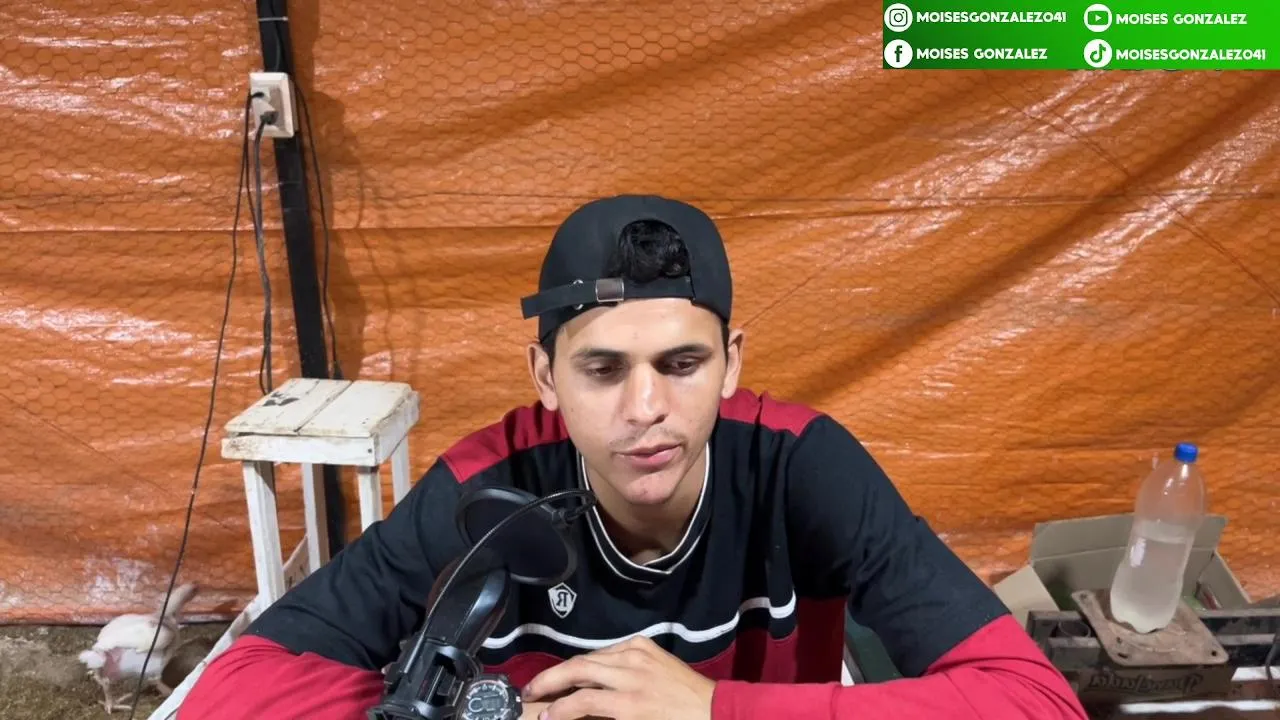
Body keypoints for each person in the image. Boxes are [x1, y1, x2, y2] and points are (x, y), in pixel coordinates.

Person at [180, 195, 1087, 719]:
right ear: (546, 376)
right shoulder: (485, 485)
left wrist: (713, 709)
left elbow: (1035, 701)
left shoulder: (801, 465)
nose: (646, 408)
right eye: (603, 369)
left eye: (682, 365)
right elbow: (237, 688)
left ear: (732, 363)